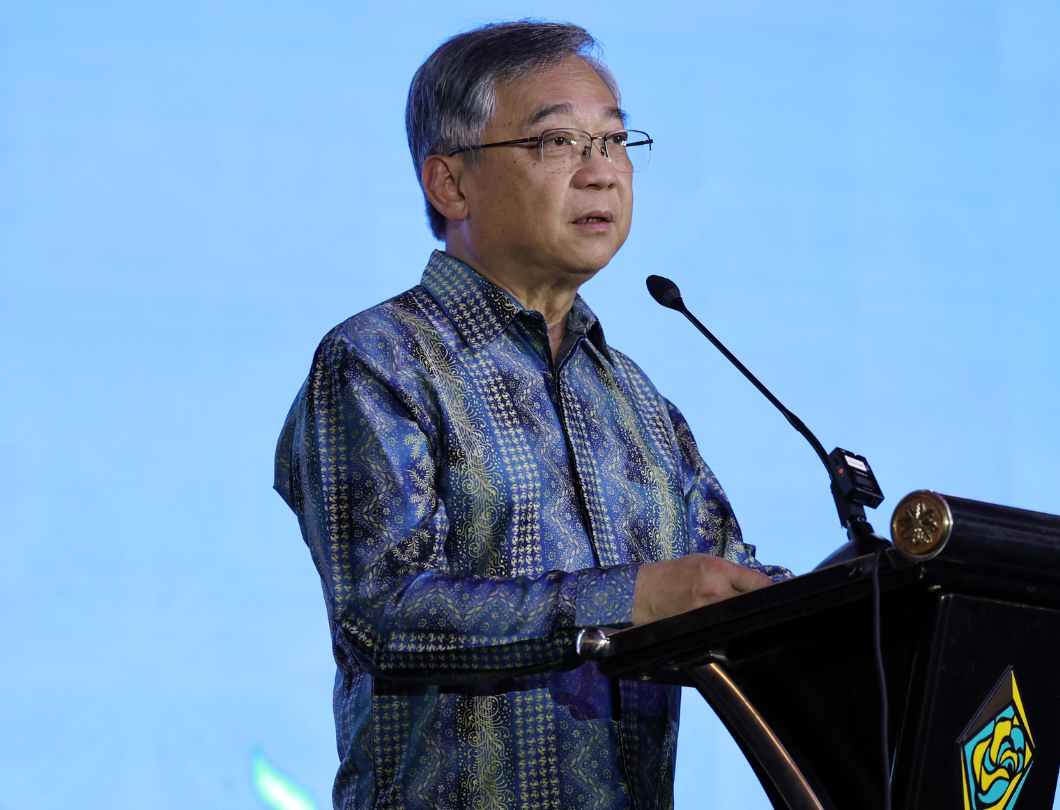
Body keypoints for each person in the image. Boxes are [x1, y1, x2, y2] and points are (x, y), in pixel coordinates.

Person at [272, 20, 790, 810]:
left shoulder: (639, 402)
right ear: (450, 184)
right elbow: (384, 616)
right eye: (558, 144)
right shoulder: (378, 359)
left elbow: (725, 588)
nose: (601, 175)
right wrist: (632, 600)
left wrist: (872, 588)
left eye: (615, 144)